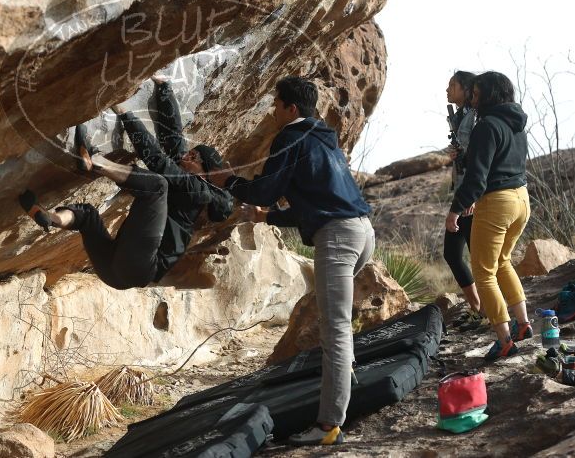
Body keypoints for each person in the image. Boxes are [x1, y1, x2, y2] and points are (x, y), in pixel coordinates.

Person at [209, 76, 374, 446]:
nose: (273, 110)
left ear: (292, 109)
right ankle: (345, 388)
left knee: (336, 331)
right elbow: (312, 203)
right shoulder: (324, 138)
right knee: (338, 325)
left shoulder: (289, 137)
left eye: (277, 104)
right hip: (363, 233)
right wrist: (267, 217)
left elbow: (266, 189)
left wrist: (228, 181)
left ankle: (329, 424)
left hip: (338, 238)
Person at [20, 76, 233, 290]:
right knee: (87, 217)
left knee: (158, 186)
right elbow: (173, 137)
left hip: (141, 266)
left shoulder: (199, 190)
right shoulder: (190, 178)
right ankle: (50, 217)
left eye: (194, 157)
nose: (187, 157)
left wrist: (124, 113)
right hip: (115, 275)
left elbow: (157, 161)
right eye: (190, 153)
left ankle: (97, 162)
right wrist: (164, 87)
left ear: (205, 173)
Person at [445, 71, 531, 361]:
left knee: (484, 272)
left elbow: (477, 180)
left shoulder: (486, 126)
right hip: (522, 199)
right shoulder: (516, 124)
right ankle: (523, 324)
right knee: (503, 261)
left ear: (489, 95)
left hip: (496, 203)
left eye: (477, 94)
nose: (473, 98)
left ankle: (504, 340)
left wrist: (455, 210)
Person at [442, 71, 484, 330]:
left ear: (466, 89)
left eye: (452, 86)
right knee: (453, 254)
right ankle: (478, 308)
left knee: (474, 256)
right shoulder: (460, 117)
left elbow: (478, 158)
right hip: (463, 192)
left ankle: (486, 310)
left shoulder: (473, 117)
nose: (447, 90)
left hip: (472, 195)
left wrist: (471, 196)